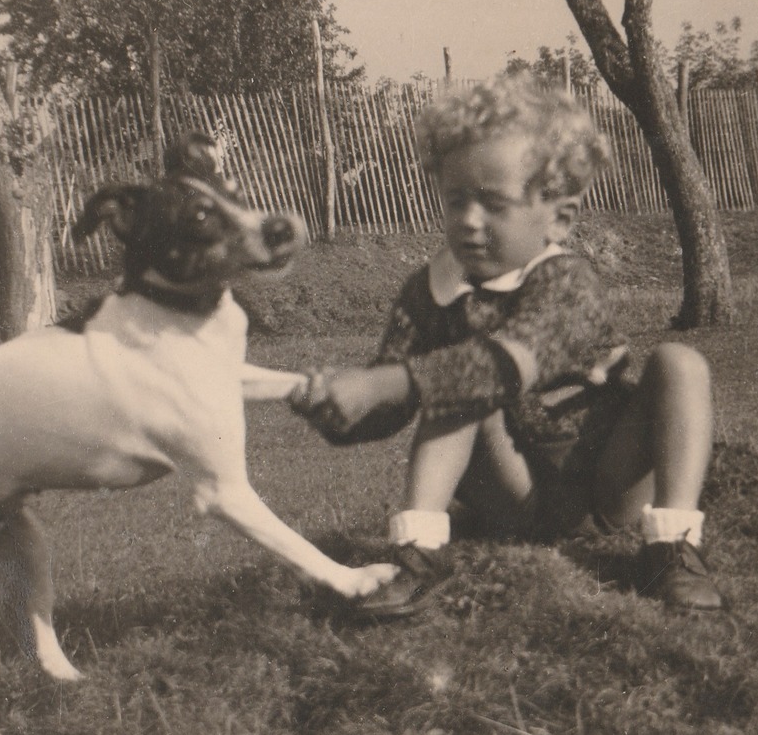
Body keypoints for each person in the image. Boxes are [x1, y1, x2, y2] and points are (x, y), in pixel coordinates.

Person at [290, 76, 724, 619]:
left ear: (558, 217)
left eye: (493, 204)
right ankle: (418, 557)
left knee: (679, 362)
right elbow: (392, 408)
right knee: (455, 386)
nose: (469, 222)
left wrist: (378, 383)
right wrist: (333, 410)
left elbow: (507, 364)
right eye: (455, 201)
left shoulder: (569, 283)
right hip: (514, 492)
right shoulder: (428, 291)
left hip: (612, 485)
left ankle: (674, 545)